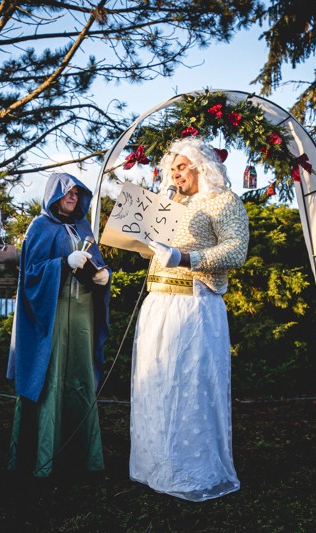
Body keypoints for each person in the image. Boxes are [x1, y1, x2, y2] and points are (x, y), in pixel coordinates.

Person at [130, 137, 249, 501]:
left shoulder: (224, 201)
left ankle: (192, 470)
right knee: (157, 382)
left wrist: (187, 258)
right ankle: (154, 464)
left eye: (181, 167)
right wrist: (140, 231)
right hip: (158, 303)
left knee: (189, 385)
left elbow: (237, 249)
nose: (175, 174)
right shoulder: (169, 202)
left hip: (195, 304)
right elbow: (146, 247)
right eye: (172, 169)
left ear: (201, 166)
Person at [6, 172, 110, 479]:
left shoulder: (83, 227)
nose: (73, 197)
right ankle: (43, 456)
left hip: (82, 314)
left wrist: (103, 275)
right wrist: (63, 264)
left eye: (77, 192)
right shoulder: (40, 226)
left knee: (80, 375)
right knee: (50, 376)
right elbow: (30, 273)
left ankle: (82, 454)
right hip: (52, 313)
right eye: (67, 192)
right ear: (53, 195)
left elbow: (96, 262)